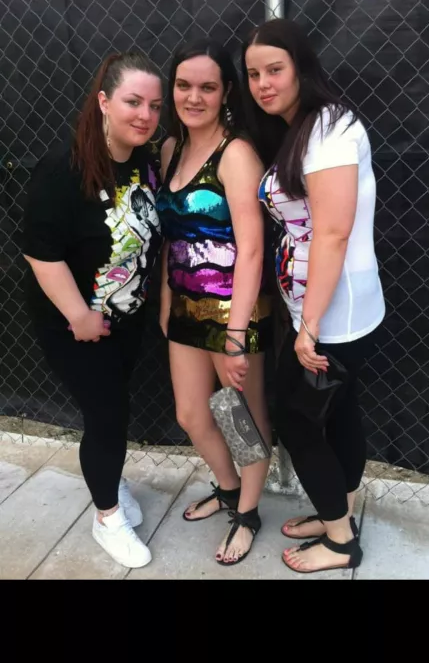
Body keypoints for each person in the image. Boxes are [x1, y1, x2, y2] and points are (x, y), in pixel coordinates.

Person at [242, 18, 385, 574]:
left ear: (302, 68)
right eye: (253, 74)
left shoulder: (329, 131)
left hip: (331, 316)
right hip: (327, 310)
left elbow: (332, 233)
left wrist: (309, 327)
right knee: (340, 413)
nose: (263, 84)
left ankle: (341, 542)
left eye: (274, 70)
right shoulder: (306, 127)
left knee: (298, 422)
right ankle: (337, 512)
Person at [22, 51, 163, 569]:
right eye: (132, 102)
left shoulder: (145, 161)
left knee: (110, 411)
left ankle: (107, 477)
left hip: (126, 317)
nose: (145, 115)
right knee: (108, 413)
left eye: (154, 106)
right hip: (74, 323)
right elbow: (40, 252)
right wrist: (79, 316)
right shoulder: (63, 167)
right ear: (104, 101)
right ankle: (107, 516)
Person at [156, 38, 272, 565]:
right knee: (190, 413)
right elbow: (170, 236)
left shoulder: (237, 154)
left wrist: (236, 335)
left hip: (234, 312)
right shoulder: (169, 150)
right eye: (184, 85)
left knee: (242, 418)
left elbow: (252, 250)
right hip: (184, 306)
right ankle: (228, 488)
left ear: (226, 91)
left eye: (207, 87)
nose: (193, 97)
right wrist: (166, 300)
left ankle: (248, 513)